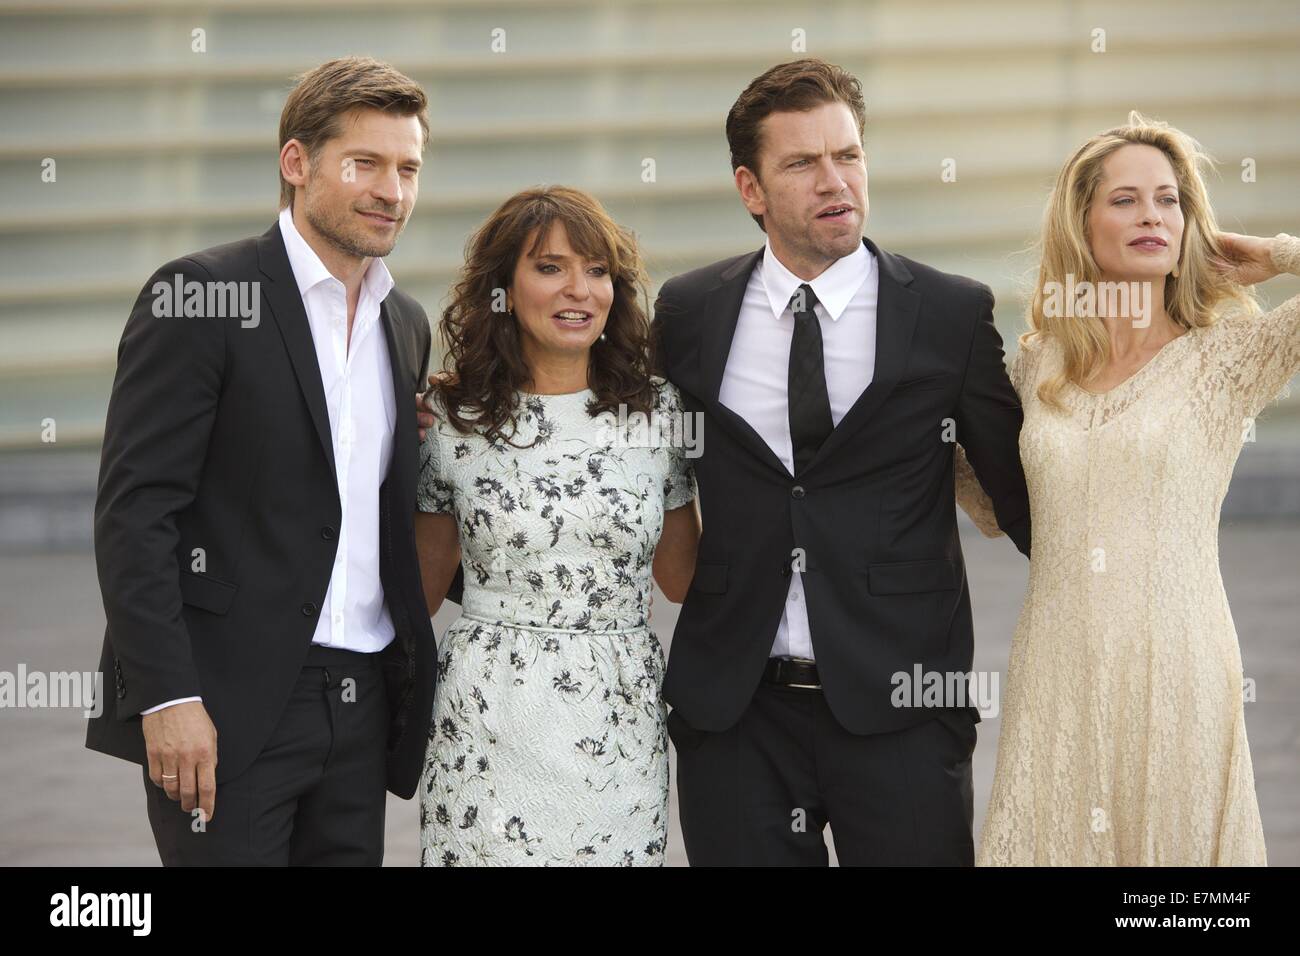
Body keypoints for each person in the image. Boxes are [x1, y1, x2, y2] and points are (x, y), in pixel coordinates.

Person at [652, 58, 1031, 865]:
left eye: (848, 155)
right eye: (802, 163)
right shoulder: (688, 313)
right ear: (750, 189)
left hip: (904, 710)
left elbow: (1032, 502)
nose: (836, 181)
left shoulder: (949, 315)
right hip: (736, 716)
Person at [86, 57, 439, 865]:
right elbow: (135, 514)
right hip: (225, 704)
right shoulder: (201, 295)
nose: (393, 190)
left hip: (359, 705)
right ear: (296, 163)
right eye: (366, 164)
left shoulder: (405, 324)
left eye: (408, 168)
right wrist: (168, 696)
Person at [961, 112, 1299, 866]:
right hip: (1057, 672)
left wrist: (1276, 255)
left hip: (1181, 666)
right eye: (1125, 199)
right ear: (1082, 222)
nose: (1153, 214)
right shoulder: (1037, 363)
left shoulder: (1227, 356)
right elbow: (983, 497)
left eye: (1170, 199)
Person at [412, 185, 701, 865]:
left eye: (597, 270)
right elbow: (419, 594)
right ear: (502, 289)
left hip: (617, 718)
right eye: (550, 268)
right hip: (487, 719)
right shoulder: (451, 417)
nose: (580, 289)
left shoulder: (657, 412)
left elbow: (683, 578)